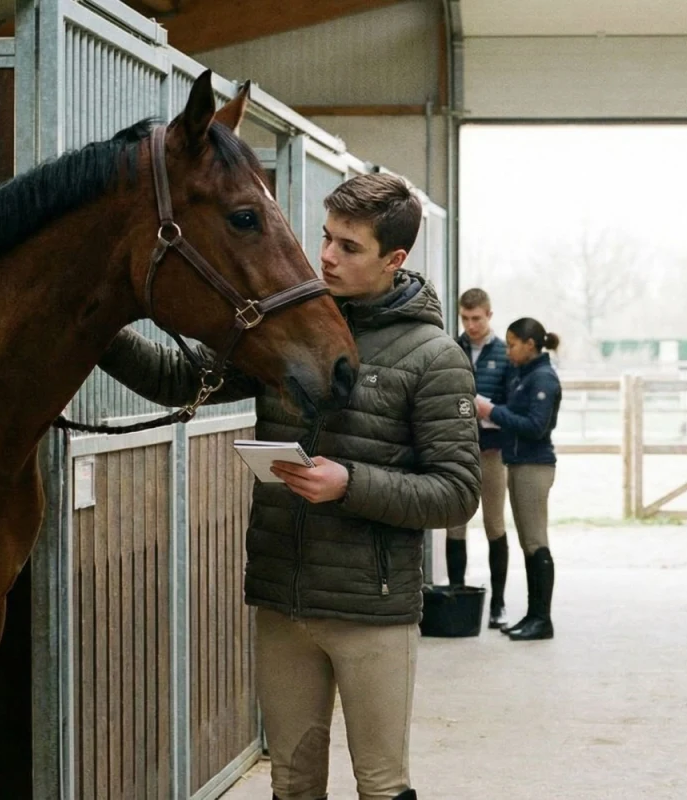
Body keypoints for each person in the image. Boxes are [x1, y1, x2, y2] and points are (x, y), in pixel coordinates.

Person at [99, 173, 480, 800]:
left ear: (395, 259)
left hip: (370, 610)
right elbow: (178, 378)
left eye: (349, 247)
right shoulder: (284, 328)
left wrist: (348, 483)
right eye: (325, 238)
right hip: (283, 598)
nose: (326, 256)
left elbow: (457, 491)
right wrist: (95, 328)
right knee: (292, 781)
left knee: (381, 784)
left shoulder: (433, 356)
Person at [475, 318, 562, 642]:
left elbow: (535, 426)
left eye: (512, 344)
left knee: (536, 542)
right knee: (528, 543)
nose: (508, 350)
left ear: (529, 344)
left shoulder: (542, 379)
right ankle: (533, 615)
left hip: (533, 467)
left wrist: (490, 412)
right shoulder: (525, 374)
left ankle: (542, 618)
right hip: (519, 464)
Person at [447, 288, 514, 628]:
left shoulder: (504, 355)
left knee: (494, 524)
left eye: (476, 318)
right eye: (465, 319)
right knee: (454, 523)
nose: (470, 325)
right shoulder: (450, 350)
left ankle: (498, 604)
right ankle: (456, 595)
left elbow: (511, 406)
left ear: (489, 315)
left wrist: (487, 411)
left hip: (491, 450)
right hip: (457, 450)